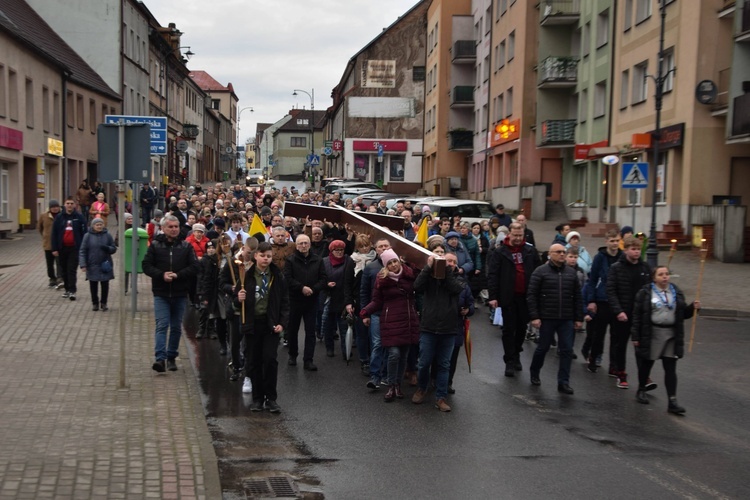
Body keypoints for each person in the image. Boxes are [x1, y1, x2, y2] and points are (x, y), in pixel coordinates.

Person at [632, 265, 700, 414]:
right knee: (647, 363)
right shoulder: (645, 293)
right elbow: (637, 316)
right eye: (661, 274)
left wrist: (692, 308)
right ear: (654, 277)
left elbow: (682, 314)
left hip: (671, 334)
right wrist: (636, 336)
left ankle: (672, 400)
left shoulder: (675, 291)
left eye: (667, 274)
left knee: (670, 368)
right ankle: (641, 389)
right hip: (653, 332)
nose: (664, 277)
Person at [234, 241, 290, 412]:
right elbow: (236, 303)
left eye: (269, 256)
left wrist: (282, 323)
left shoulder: (277, 276)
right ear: (255, 256)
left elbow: (284, 302)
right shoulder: (246, 276)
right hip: (252, 323)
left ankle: (271, 398)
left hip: (270, 323)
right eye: (263, 255)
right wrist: (239, 299)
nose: (266, 259)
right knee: (254, 361)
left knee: (270, 359)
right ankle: (258, 398)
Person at [142, 214, 199, 373]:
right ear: (163, 228)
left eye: (176, 227)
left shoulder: (186, 247)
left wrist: (178, 275)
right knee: (162, 325)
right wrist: (161, 275)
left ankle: (172, 355)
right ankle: (160, 359)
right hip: (161, 293)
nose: (174, 230)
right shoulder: (155, 246)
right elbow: (146, 265)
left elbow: (195, 267)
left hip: (180, 293)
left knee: (175, 327)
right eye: (170, 227)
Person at [361, 249, 420, 403]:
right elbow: (377, 300)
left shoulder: (409, 274)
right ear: (385, 266)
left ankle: (397, 385)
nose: (393, 265)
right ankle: (391, 384)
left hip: (408, 319)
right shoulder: (382, 279)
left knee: (403, 356)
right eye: (389, 263)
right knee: (393, 354)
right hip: (390, 320)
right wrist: (366, 310)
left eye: (395, 261)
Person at [526, 243, 583, 394]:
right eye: (558, 252)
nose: (562, 254)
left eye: (564, 252)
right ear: (550, 254)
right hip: (547, 317)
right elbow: (532, 294)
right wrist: (535, 316)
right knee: (543, 348)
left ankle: (563, 382)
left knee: (567, 350)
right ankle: (535, 371)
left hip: (566, 318)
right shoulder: (540, 272)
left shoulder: (571, 273)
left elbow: (577, 296)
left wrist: (578, 318)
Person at [412, 252, 466, 412]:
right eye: (446, 261)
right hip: (429, 327)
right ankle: (422, 388)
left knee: (444, 365)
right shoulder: (429, 277)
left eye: (452, 262)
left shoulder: (459, 279)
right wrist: (429, 268)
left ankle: (440, 397)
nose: (448, 263)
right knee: (424, 363)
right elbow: (417, 287)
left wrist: (447, 272)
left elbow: (456, 289)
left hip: (448, 329)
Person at [487, 223, 542, 377]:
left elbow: (538, 273)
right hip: (508, 296)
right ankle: (509, 360)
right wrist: (493, 296)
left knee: (522, 328)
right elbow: (493, 275)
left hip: (526, 296)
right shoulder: (500, 252)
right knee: (508, 329)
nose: (518, 238)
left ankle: (517, 352)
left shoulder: (530, 251)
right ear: (509, 234)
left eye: (520, 235)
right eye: (515, 235)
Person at [606, 235, 652, 389]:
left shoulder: (645, 268)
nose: (636, 252)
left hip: (640, 315)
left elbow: (649, 290)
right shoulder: (616, 268)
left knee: (641, 345)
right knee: (621, 345)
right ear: (625, 250)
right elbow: (611, 290)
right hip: (623, 314)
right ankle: (621, 372)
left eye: (638, 249)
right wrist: (618, 311)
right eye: (633, 249)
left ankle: (644, 376)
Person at [284, 234, 327, 371]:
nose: (303, 246)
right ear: (296, 245)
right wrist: (301, 288)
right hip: (295, 300)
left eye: (306, 243)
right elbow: (288, 279)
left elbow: (323, 279)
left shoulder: (318, 260)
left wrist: (313, 290)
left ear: (309, 244)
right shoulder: (290, 260)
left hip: (311, 300)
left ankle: (308, 359)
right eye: (301, 243)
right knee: (292, 329)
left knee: (310, 331)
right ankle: (292, 354)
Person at [583, 229, 622, 372]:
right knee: (598, 334)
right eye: (612, 241)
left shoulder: (622, 257)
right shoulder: (600, 257)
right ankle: (593, 358)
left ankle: (614, 364)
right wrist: (592, 300)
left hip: (617, 300)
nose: (615, 244)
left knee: (616, 335)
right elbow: (592, 280)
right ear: (606, 242)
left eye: (617, 241)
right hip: (602, 299)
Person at [361, 238, 393, 389]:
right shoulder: (370, 267)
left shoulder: (397, 266)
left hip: (393, 313)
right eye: (380, 246)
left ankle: (387, 375)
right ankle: (375, 376)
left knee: (390, 346)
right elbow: (364, 292)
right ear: (376, 249)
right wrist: (365, 313)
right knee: (377, 345)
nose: (384, 248)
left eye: (386, 246)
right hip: (376, 313)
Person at [322, 240, 355, 359]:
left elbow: (350, 282)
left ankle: (346, 351)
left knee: (344, 327)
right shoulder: (324, 262)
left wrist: (349, 301)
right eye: (336, 250)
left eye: (341, 250)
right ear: (331, 251)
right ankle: (329, 348)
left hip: (343, 298)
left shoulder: (349, 261)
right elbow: (320, 279)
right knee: (328, 326)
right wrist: (326, 284)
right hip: (329, 298)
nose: (339, 252)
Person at [51, 198, 88, 301]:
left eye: (72, 203)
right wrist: (54, 248)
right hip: (62, 248)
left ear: (75, 205)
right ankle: (67, 290)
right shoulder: (59, 217)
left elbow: (85, 233)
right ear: (64, 205)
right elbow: (54, 234)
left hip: (75, 248)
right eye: (67, 203)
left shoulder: (79, 217)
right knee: (64, 270)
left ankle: (72, 291)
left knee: (71, 270)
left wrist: (84, 248)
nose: (70, 205)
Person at [78, 217, 116, 311]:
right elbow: (82, 251)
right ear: (93, 226)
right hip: (92, 264)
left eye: (100, 224)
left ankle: (104, 303)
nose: (99, 226)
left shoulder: (107, 235)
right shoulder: (87, 236)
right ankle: (95, 303)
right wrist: (83, 264)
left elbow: (113, 248)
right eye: (97, 225)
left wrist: (107, 248)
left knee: (105, 284)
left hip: (105, 264)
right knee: (93, 284)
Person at [197, 239, 228, 352]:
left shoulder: (233, 258)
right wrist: (203, 294)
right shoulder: (210, 260)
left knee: (228, 319)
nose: (226, 246)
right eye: (224, 244)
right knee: (214, 315)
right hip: (215, 292)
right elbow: (205, 278)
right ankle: (204, 330)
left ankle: (213, 331)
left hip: (227, 292)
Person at [38, 199, 63, 288]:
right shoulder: (44, 216)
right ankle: (52, 278)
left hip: (59, 244)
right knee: (49, 263)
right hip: (48, 244)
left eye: (57, 207)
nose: (55, 208)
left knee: (59, 262)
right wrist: (45, 235)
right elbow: (40, 228)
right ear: (50, 208)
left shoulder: (62, 215)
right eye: (53, 207)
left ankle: (60, 278)